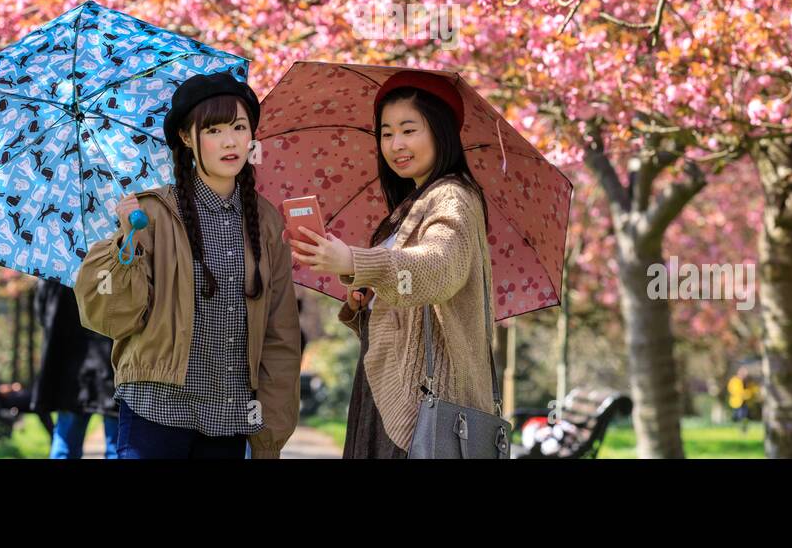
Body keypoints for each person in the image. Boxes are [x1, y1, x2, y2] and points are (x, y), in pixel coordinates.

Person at [75, 70, 302, 459]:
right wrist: (124, 248)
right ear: (186, 138)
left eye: (239, 127)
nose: (229, 141)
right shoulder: (153, 214)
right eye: (212, 130)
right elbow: (108, 317)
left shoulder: (266, 222)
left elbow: (280, 333)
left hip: (230, 416)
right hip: (156, 411)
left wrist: (272, 424)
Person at [290, 70, 496, 459]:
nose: (395, 144)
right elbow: (404, 298)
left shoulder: (452, 196)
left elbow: (439, 269)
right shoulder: (408, 208)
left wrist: (353, 258)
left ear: (441, 131)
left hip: (427, 404)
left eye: (408, 130)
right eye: (386, 133)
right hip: (390, 391)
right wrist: (361, 296)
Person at [31, 278, 120, 458]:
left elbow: (42, 314)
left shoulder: (54, 264)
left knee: (65, 446)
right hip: (110, 368)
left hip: (68, 371)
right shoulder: (114, 260)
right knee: (117, 448)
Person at [727, 365, 759, 432]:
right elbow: (735, 391)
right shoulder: (735, 381)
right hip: (736, 402)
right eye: (743, 373)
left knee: (744, 417)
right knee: (736, 417)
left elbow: (753, 389)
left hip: (745, 402)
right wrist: (746, 393)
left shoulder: (748, 381)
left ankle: (743, 430)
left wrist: (751, 393)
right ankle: (736, 430)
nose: (744, 375)